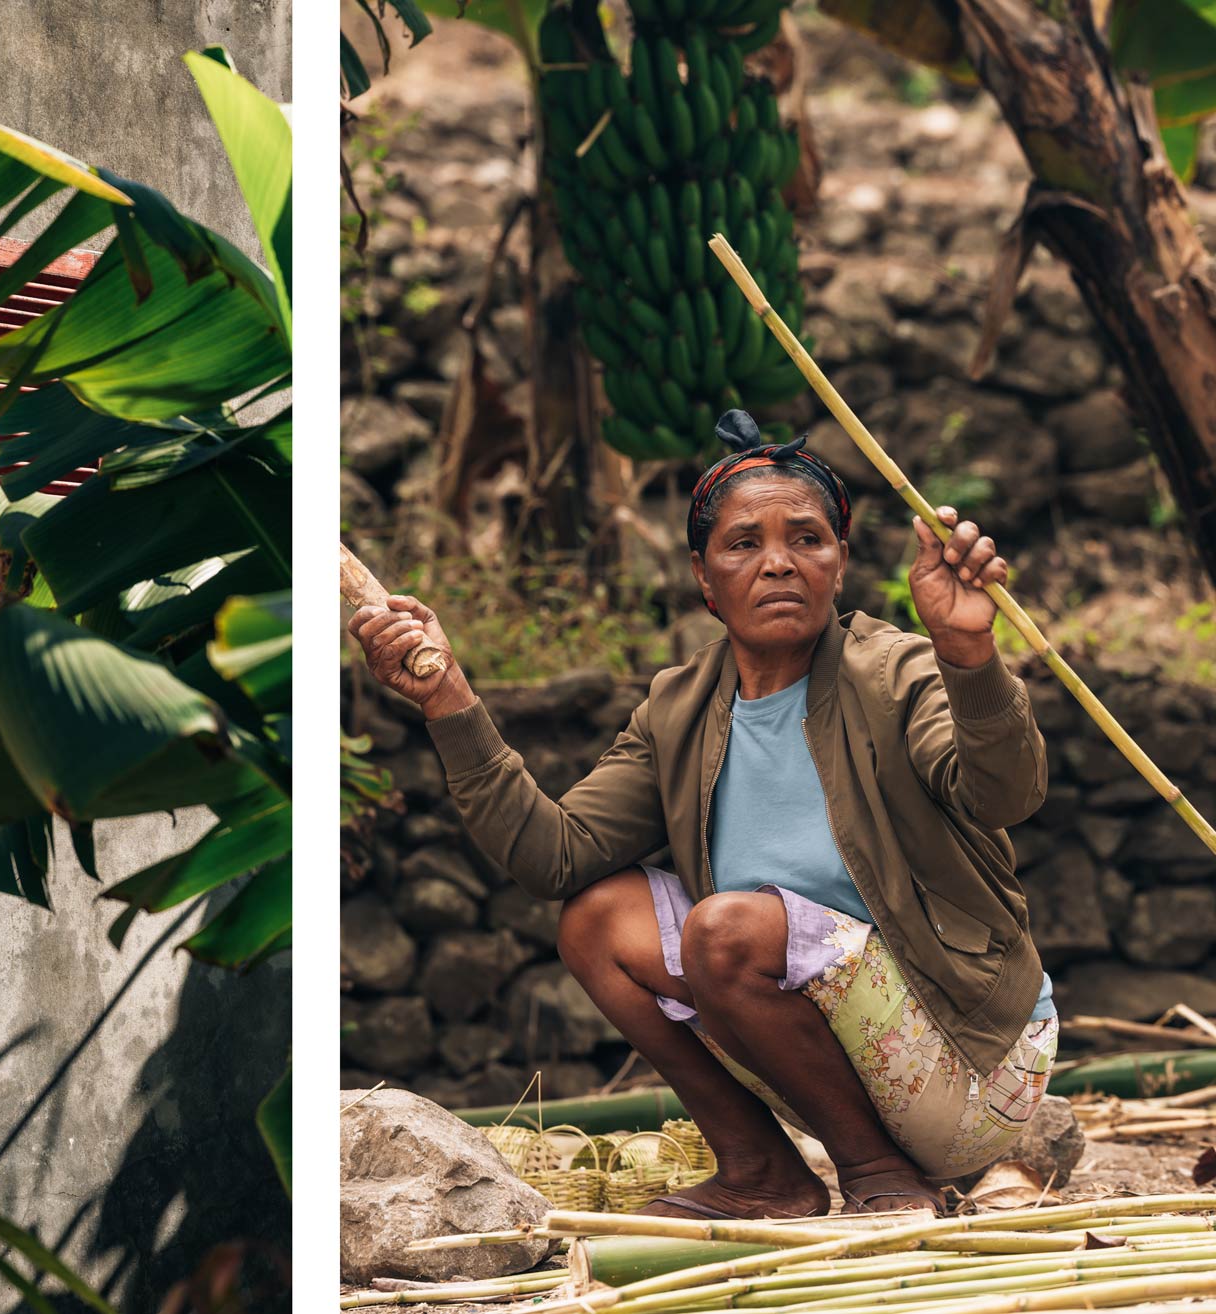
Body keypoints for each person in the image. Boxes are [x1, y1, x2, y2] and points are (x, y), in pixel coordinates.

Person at [349, 410, 1056, 1220]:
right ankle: (763, 1172)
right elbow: (553, 857)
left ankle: (880, 1181)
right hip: (827, 1064)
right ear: (703, 578)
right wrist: (451, 703)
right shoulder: (679, 708)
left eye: (807, 539)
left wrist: (967, 654)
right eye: (744, 544)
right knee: (596, 920)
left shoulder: (898, 671)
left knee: (725, 929)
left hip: (972, 1063)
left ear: (841, 562)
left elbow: (1005, 795)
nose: (779, 563)